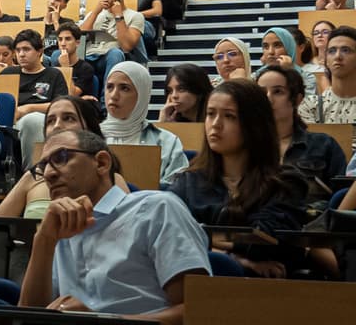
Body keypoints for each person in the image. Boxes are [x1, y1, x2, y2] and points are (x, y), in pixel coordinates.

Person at [19, 128, 210, 320]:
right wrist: (44, 239)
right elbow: (28, 317)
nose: (49, 173)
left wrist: (101, 321)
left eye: (61, 157)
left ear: (102, 163)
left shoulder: (158, 209)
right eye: (42, 166)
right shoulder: (57, 231)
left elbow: (198, 311)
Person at [168, 80, 310, 277]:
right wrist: (234, 259)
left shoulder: (285, 182)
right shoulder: (187, 181)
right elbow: (169, 237)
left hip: (263, 288)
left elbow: (263, 240)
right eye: (210, 114)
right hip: (195, 281)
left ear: (255, 124)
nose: (215, 124)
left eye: (229, 116)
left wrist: (198, 235)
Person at [0, 97, 115, 219]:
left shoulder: (105, 175)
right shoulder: (33, 176)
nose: (57, 126)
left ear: (89, 128)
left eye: (68, 118)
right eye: (50, 121)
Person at [256, 65, 347, 184]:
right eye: (261, 92)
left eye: (278, 92)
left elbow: (342, 192)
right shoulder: (245, 146)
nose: (268, 98)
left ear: (297, 99)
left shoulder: (324, 145)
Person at [100, 62, 188, 185]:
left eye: (124, 88)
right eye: (109, 87)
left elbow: (178, 189)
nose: (113, 96)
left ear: (142, 95)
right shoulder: (89, 138)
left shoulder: (166, 142)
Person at [6, 30, 70, 153]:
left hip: (40, 120)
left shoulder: (53, 74)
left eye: (26, 49)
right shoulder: (8, 73)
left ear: (39, 51)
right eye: (18, 50)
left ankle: (34, 165)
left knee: (32, 120)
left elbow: (61, 105)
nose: (21, 54)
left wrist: (29, 108)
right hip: (10, 120)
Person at [79, 0, 146, 90]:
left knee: (115, 53)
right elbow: (79, 37)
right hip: (89, 55)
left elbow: (127, 46)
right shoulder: (94, 14)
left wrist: (118, 15)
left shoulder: (135, 16)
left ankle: (107, 98)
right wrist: (95, 12)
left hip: (109, 56)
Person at [300, 25, 356, 140]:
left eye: (346, 50)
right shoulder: (311, 105)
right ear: (326, 60)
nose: (337, 56)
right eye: (332, 51)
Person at [54, 24, 95, 98]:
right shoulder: (55, 67)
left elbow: (72, 95)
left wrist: (65, 68)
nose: (63, 43)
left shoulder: (86, 68)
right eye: (60, 39)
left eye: (68, 39)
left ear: (77, 43)